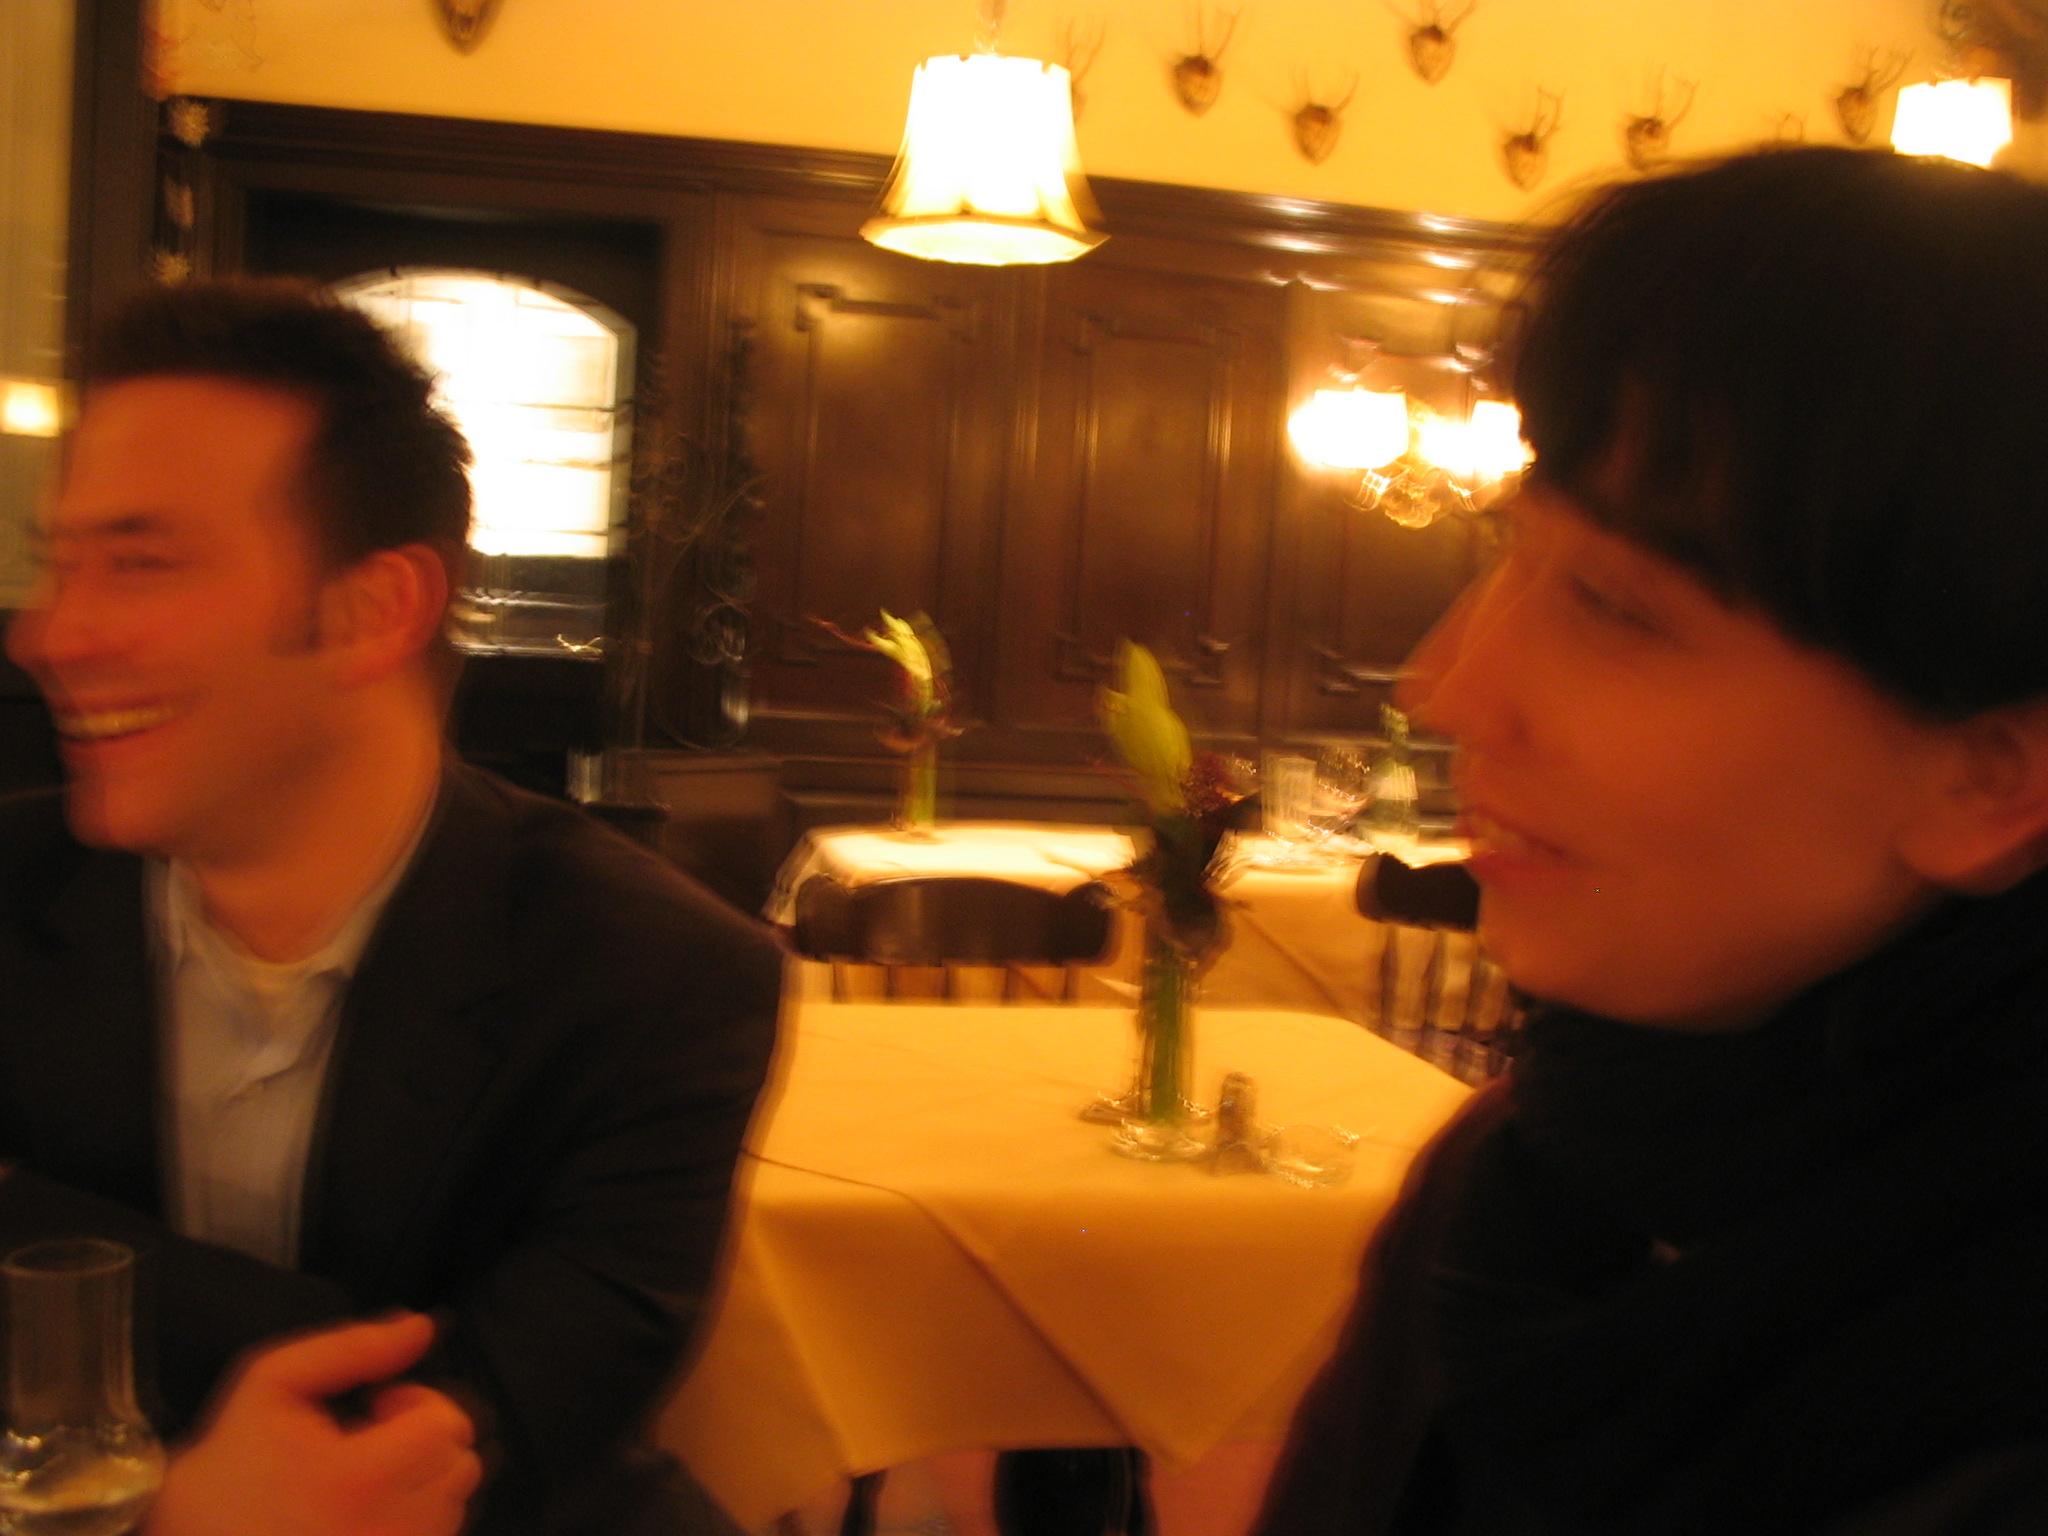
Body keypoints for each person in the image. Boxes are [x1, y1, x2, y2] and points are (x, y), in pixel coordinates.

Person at [1254, 146, 2048, 1536]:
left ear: (1994, 780)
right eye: (1511, 554)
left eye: (1616, 608)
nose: (1449, 686)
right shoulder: (1537, 1173)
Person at [0, 279, 782, 1534]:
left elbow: (517, 1428)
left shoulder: (657, 976)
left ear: (375, 610)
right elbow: (436, 1396)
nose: (50, 634)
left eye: (140, 565)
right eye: (60, 566)